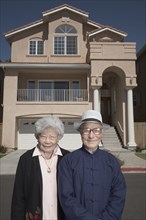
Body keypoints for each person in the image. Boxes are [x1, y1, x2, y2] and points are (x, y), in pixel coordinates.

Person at [58, 110, 126, 220]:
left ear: (102, 133)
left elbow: (118, 194)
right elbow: (66, 197)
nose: (91, 135)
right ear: (80, 132)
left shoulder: (112, 161)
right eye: (86, 130)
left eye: (96, 130)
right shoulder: (68, 161)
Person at [11, 116, 69, 220]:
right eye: (43, 136)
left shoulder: (67, 158)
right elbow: (18, 196)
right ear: (37, 137)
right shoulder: (26, 159)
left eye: (52, 137)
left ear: (58, 138)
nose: (47, 141)